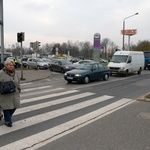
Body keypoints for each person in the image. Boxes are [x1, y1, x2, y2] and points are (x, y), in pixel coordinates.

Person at [0, 58, 21, 127]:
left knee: (14, 106)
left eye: (13, 65)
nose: (12, 66)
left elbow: (18, 82)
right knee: (6, 107)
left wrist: (19, 89)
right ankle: (8, 121)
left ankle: (4, 116)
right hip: (5, 95)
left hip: (14, 93)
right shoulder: (1, 73)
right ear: (6, 65)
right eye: (10, 65)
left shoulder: (16, 73)